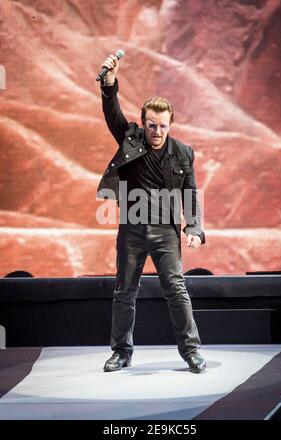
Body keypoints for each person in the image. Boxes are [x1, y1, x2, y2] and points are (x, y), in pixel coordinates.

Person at [97, 53, 206, 374]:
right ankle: (121, 352)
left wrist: (195, 228)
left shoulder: (183, 153)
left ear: (171, 125)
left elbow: (190, 193)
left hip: (165, 232)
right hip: (131, 228)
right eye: (151, 125)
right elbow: (112, 112)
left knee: (176, 289)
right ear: (143, 124)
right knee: (124, 291)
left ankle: (191, 352)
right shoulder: (130, 138)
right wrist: (109, 82)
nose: (157, 131)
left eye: (162, 126)